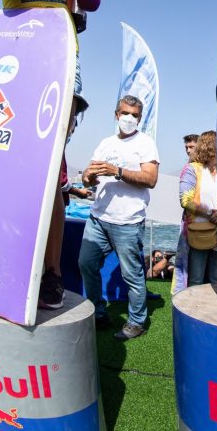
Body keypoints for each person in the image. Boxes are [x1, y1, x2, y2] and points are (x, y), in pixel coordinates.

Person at [0, 0, 101, 309]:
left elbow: (92, 1)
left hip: (59, 63)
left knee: (51, 170)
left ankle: (51, 273)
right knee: (6, 158)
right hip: (14, 62)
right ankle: (2, 258)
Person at [79, 96, 159, 339]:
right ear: (116, 114)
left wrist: (118, 171)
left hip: (128, 222)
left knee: (131, 275)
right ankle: (98, 313)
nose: (129, 118)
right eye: (125, 113)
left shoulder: (145, 143)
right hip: (98, 218)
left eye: (134, 115)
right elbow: (88, 177)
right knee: (86, 263)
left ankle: (136, 321)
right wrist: (88, 177)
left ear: (140, 118)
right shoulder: (106, 143)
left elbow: (151, 179)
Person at [179, 130, 217, 286]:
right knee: (196, 280)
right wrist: (211, 214)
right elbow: (186, 201)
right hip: (199, 232)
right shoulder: (192, 169)